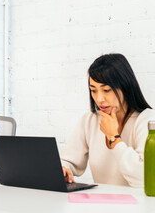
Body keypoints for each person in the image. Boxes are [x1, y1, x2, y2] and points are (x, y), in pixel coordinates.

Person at [61, 53, 155, 188]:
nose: (99, 99)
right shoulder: (89, 121)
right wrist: (64, 168)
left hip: (141, 207)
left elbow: (144, 179)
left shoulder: (147, 121)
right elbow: (68, 161)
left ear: (125, 86)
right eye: (93, 90)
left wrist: (114, 138)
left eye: (106, 90)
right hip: (102, 205)